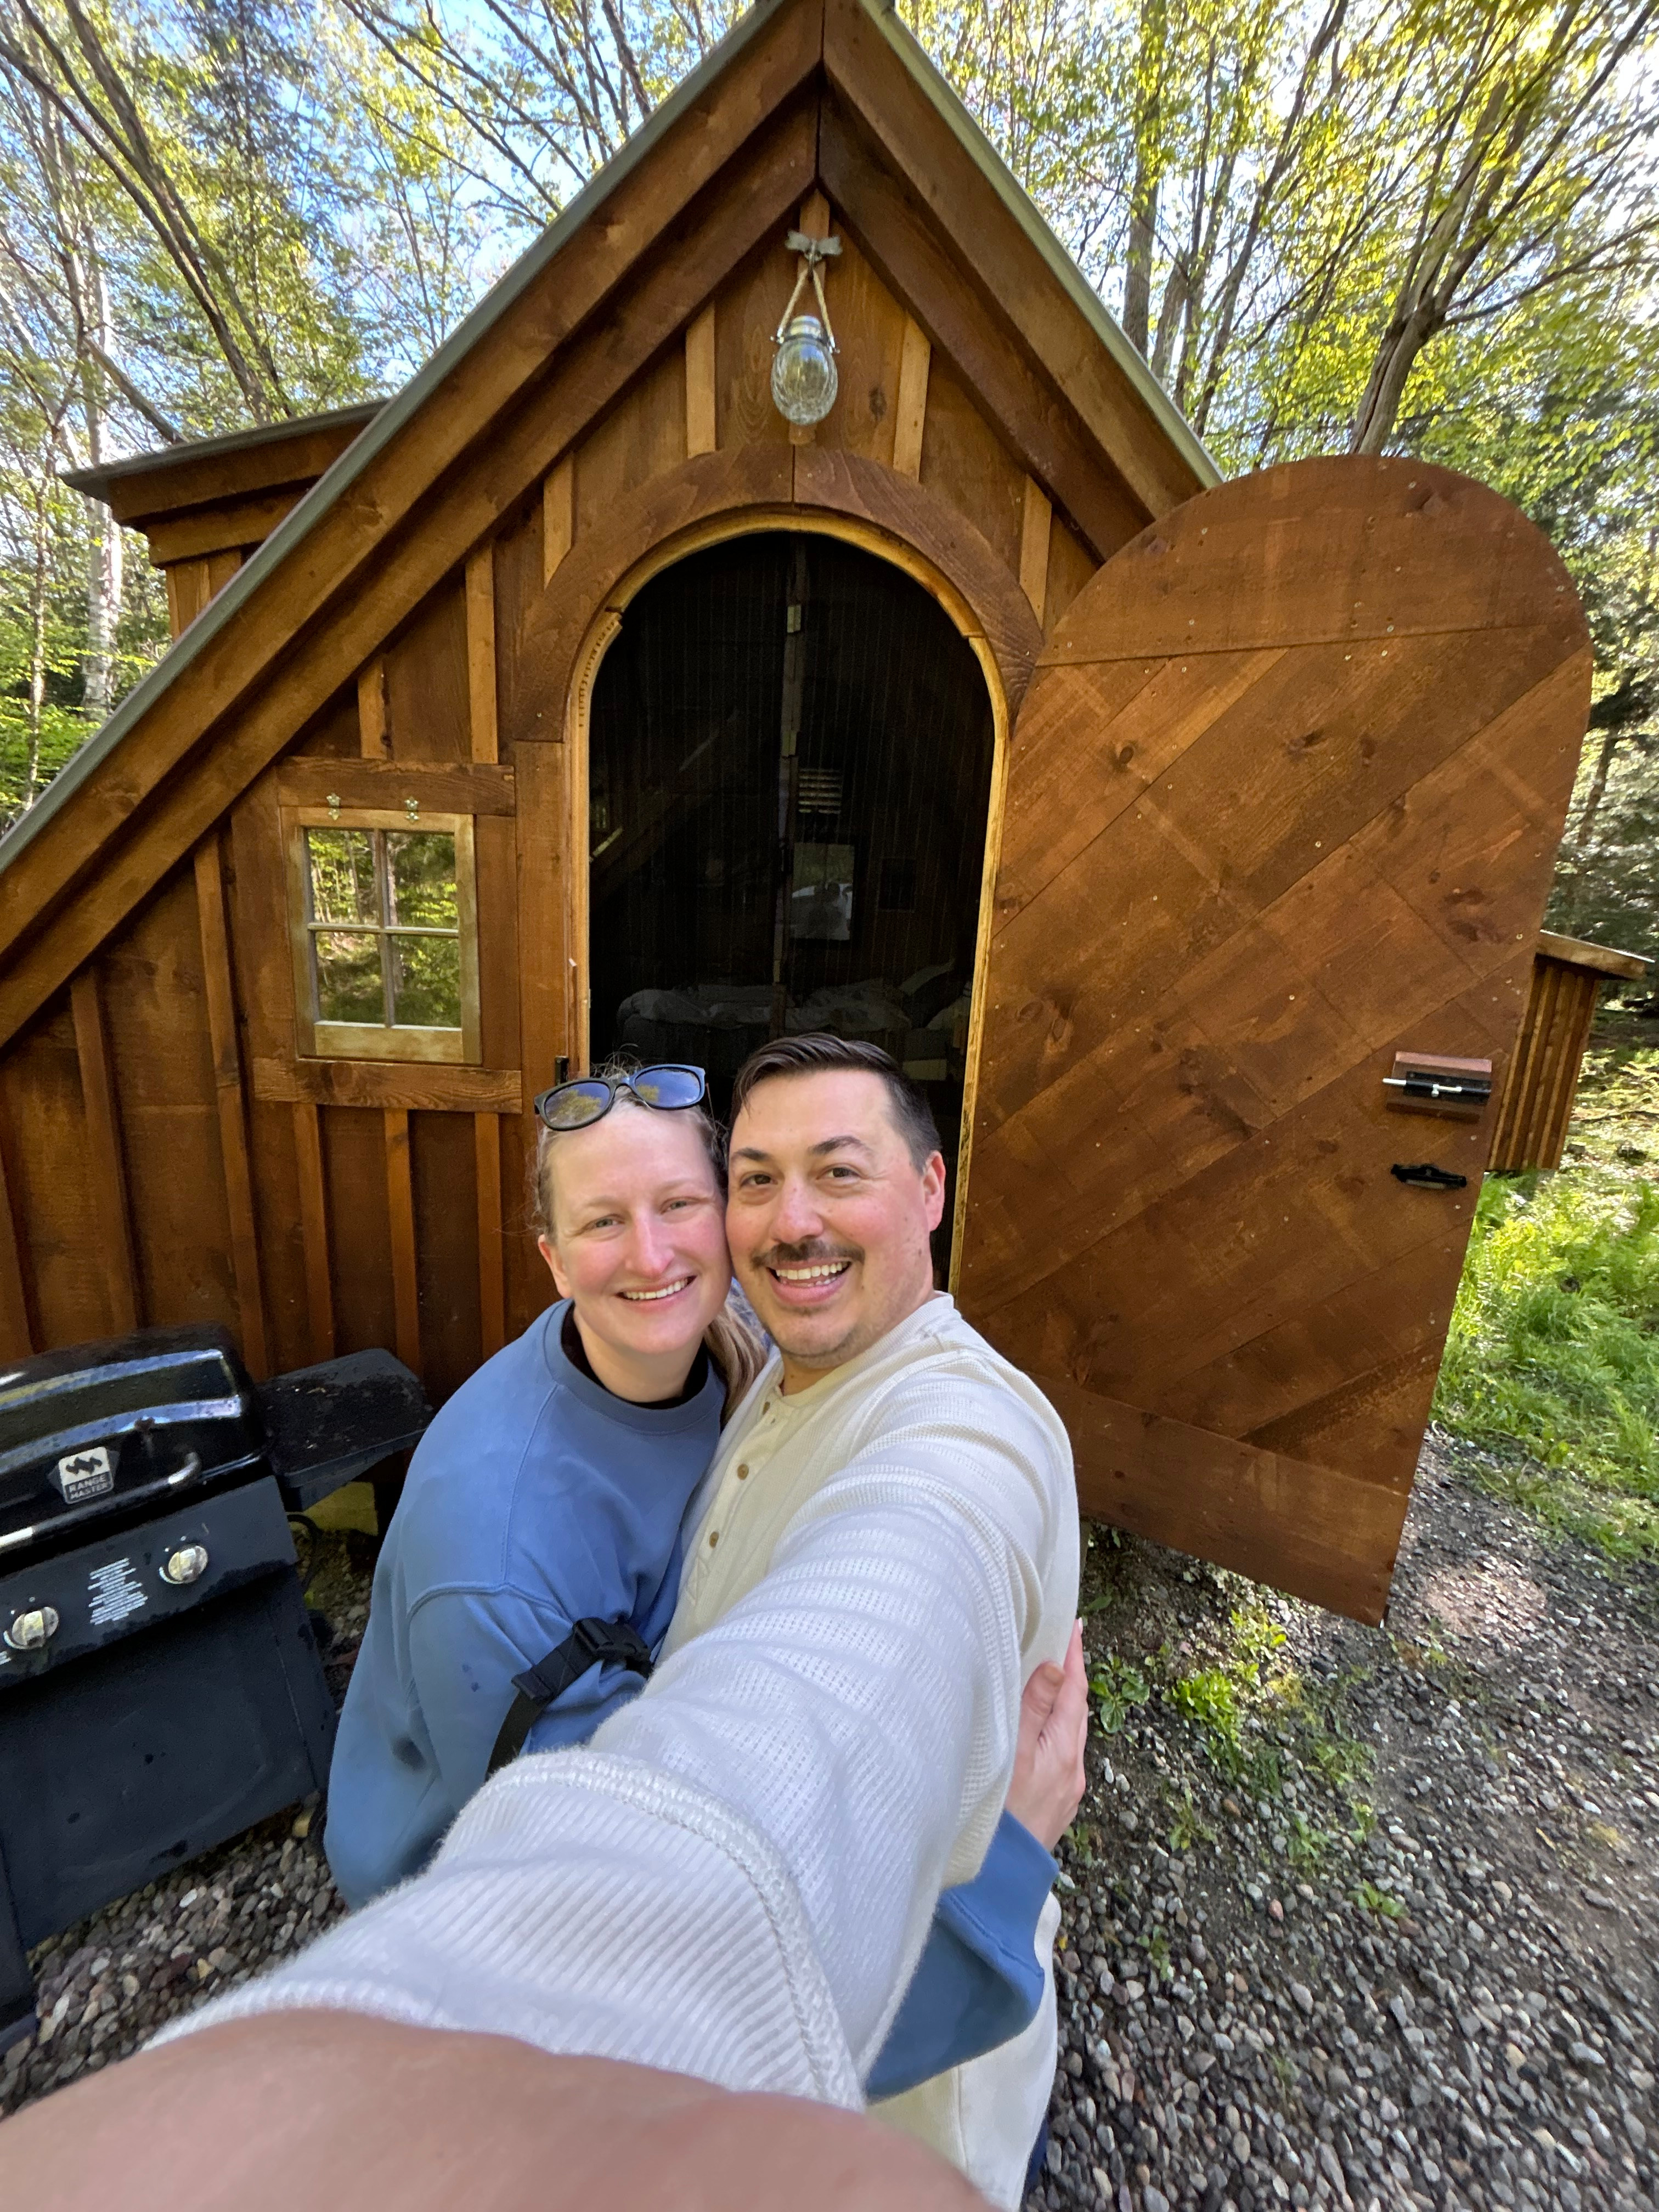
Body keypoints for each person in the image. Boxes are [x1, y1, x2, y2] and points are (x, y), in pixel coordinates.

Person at [322, 1055, 1081, 2106]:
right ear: (553, 1261)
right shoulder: (497, 1571)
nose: (654, 1253)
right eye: (603, 1223)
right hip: (462, 1903)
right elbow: (620, 1941)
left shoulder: (726, 1351)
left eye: (683, 1203)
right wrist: (989, 1899)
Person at [660, 1036, 1079, 2207]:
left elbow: (911, 1569)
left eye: (840, 1172)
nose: (791, 1222)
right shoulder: (799, 1365)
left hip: (897, 2121)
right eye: (756, 1180)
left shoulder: (964, 1438)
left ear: (932, 1189)